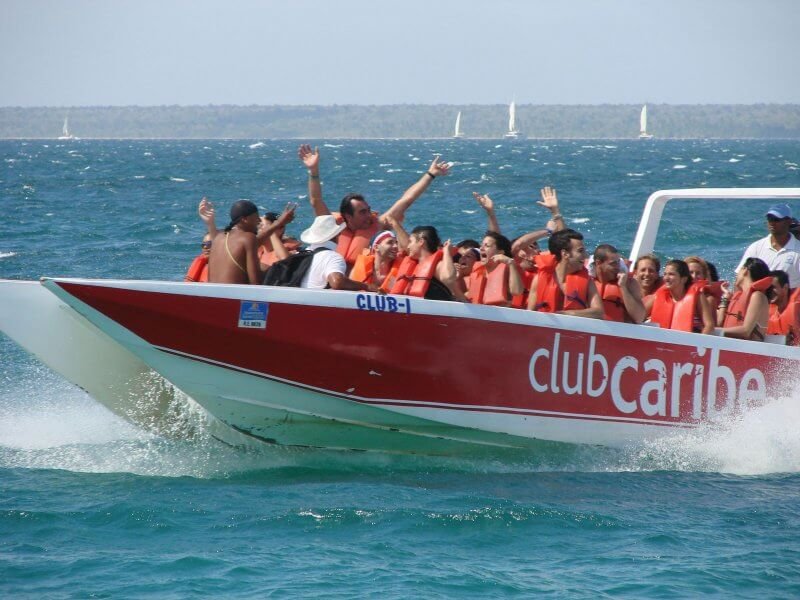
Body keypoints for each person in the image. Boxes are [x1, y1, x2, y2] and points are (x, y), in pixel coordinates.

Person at [298, 144, 451, 270]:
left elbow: (406, 200)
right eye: (362, 212)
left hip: (356, 284)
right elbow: (316, 200)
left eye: (368, 210)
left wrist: (430, 174)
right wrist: (313, 171)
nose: (369, 215)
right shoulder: (332, 225)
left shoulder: (378, 224)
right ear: (348, 216)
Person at [208, 200, 295, 285]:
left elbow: (255, 241)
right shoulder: (248, 238)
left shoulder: (219, 236)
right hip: (236, 295)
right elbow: (256, 282)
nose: (259, 221)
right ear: (244, 219)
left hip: (212, 294)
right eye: (256, 217)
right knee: (279, 270)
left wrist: (279, 223)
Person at [527, 229, 603, 318]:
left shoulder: (587, 280)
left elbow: (598, 311)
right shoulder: (539, 279)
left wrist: (568, 314)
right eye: (580, 251)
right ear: (565, 254)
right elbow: (530, 314)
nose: (585, 255)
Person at [298, 215, 380, 292]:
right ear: (337, 235)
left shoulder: (302, 254)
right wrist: (366, 286)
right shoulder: (332, 257)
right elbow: (337, 282)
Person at [737, 204, 800, 288]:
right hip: (760, 297)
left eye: (776, 219)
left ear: (788, 221)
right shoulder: (756, 247)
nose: (772, 223)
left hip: (788, 298)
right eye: (769, 219)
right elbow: (740, 277)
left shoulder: (798, 249)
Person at [646, 259, 715, 334]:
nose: (666, 278)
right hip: (662, 340)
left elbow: (709, 325)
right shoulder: (658, 296)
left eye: (671, 274)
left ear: (684, 279)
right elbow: (639, 315)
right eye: (665, 274)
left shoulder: (697, 296)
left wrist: (698, 342)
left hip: (690, 339)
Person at [389, 225, 457, 301]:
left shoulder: (437, 265)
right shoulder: (414, 266)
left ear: (421, 242)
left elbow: (449, 278)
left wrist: (447, 251)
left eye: (411, 242)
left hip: (436, 310)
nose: (408, 246)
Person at [718, 257, 773, 341]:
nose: (736, 274)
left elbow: (746, 331)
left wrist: (714, 331)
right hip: (731, 346)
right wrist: (725, 298)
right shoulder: (737, 297)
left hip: (750, 350)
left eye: (739, 270)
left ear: (745, 270)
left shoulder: (757, 296)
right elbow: (719, 323)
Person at [349, 217, 409, 290]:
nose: (396, 246)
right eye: (390, 242)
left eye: (396, 243)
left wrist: (395, 224)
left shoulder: (401, 269)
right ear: (376, 247)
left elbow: (408, 248)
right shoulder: (358, 268)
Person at [465, 231, 524, 306]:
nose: (481, 248)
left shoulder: (508, 271)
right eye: (481, 245)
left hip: (501, 315)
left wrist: (511, 263)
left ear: (500, 253)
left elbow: (517, 291)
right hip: (478, 313)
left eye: (487, 246)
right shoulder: (478, 271)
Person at [592, 244, 645, 323]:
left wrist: (623, 287)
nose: (618, 267)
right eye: (613, 263)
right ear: (598, 263)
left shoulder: (630, 283)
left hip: (617, 331)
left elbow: (639, 318)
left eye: (618, 262)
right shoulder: (588, 282)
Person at [767, 269, 800, 345]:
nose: (769, 292)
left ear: (785, 287)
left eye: (773, 287)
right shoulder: (767, 312)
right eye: (768, 289)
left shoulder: (797, 305)